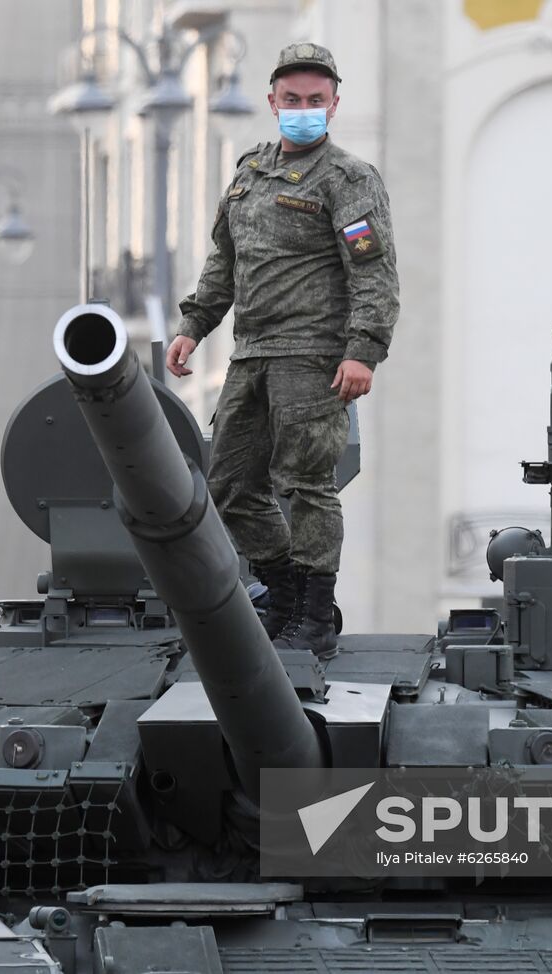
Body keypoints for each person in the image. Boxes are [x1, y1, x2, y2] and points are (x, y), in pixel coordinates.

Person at [165, 42, 399, 660]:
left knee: (307, 483)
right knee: (230, 485)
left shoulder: (347, 180)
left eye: (315, 101)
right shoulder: (249, 172)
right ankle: (287, 592)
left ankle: (315, 616)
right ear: (272, 101)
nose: (303, 109)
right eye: (292, 99)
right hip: (251, 353)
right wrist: (194, 325)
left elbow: (372, 273)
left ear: (333, 104)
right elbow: (224, 260)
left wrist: (363, 351)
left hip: (313, 355)